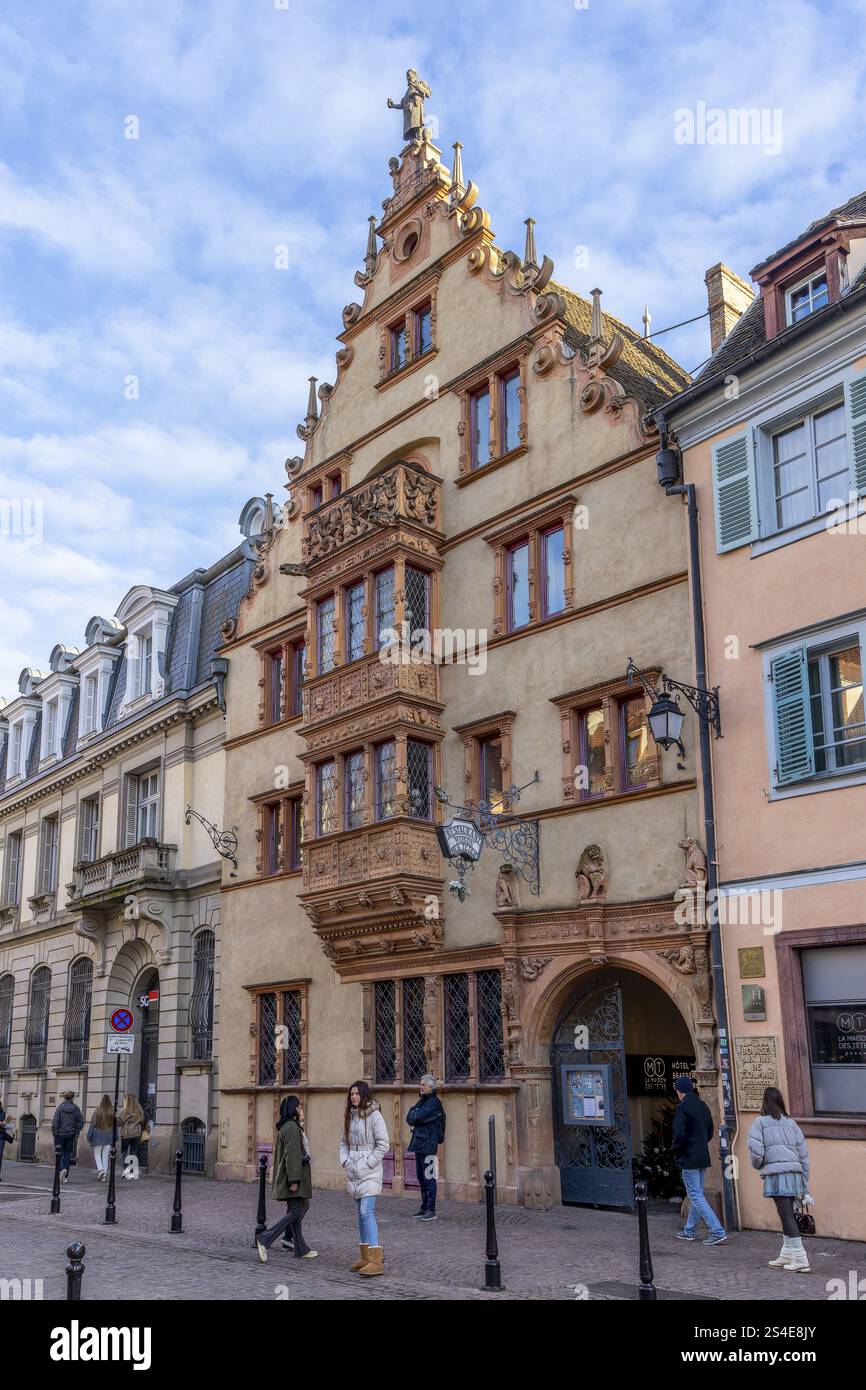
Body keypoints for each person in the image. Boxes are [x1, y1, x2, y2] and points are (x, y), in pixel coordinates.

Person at [748, 1086, 813, 1273]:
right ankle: (786, 1253)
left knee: (786, 1215)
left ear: (765, 1102)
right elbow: (803, 1152)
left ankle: (800, 1258)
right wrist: (804, 1178)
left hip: (777, 1175)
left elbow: (756, 1152)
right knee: (786, 1213)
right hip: (795, 1174)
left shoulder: (759, 1123)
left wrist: (759, 1165)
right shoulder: (791, 1123)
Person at [257, 1096, 317, 1263]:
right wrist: (294, 1180)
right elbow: (291, 1155)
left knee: (299, 1208)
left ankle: (300, 1248)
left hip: (293, 1176)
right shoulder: (291, 1127)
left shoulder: (291, 1126)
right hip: (292, 1177)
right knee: (297, 1211)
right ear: (295, 1109)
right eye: (300, 1107)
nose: (302, 1110)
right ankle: (265, 1239)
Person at [340, 1080, 389, 1277]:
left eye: (357, 1094)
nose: (353, 1097)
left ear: (364, 1095)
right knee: (359, 1214)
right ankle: (365, 1256)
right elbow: (343, 1142)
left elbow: (383, 1144)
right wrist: (346, 1161)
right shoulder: (349, 1117)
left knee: (366, 1211)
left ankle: (376, 1259)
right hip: (353, 1169)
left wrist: (368, 1163)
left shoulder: (375, 1116)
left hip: (370, 1170)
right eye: (351, 1094)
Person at [671, 1075, 727, 1245]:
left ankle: (717, 1230)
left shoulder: (683, 1107)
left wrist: (675, 1150)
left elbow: (679, 1133)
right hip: (702, 1155)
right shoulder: (702, 1105)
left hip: (689, 1156)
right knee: (697, 1194)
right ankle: (689, 1230)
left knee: (695, 1195)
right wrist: (701, 1144)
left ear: (679, 1091)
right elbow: (710, 1130)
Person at [406, 1074, 445, 1221]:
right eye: (421, 1084)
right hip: (420, 1144)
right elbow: (409, 1117)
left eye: (423, 1085)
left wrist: (416, 1115)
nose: (420, 1087)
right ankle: (424, 1207)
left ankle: (431, 1210)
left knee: (429, 1177)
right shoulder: (422, 1101)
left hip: (429, 1146)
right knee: (421, 1177)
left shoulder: (433, 1103)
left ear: (431, 1088)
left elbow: (417, 1116)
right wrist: (416, 1115)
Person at [51, 1090, 84, 1183]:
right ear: (72, 1098)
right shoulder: (76, 1109)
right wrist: (76, 1131)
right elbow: (81, 1122)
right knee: (67, 1154)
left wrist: (55, 1132)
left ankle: (62, 1169)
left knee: (59, 1153)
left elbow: (55, 1122)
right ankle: (65, 1177)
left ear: (64, 1097)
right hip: (71, 1134)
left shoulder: (60, 1108)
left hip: (60, 1134)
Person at [86, 1095, 115, 1181]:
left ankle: (101, 1170)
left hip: (98, 1136)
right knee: (105, 1156)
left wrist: (89, 1136)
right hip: (109, 1137)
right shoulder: (112, 1113)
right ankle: (104, 1174)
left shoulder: (97, 1112)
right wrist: (115, 1137)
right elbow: (115, 1127)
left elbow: (92, 1125)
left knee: (97, 1154)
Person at [118, 1094, 145, 1177]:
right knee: (134, 1152)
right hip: (136, 1133)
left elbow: (119, 1123)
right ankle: (132, 1172)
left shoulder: (125, 1110)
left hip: (126, 1134)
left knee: (124, 1152)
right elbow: (143, 1120)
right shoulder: (139, 1110)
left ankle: (126, 1170)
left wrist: (117, 1116)